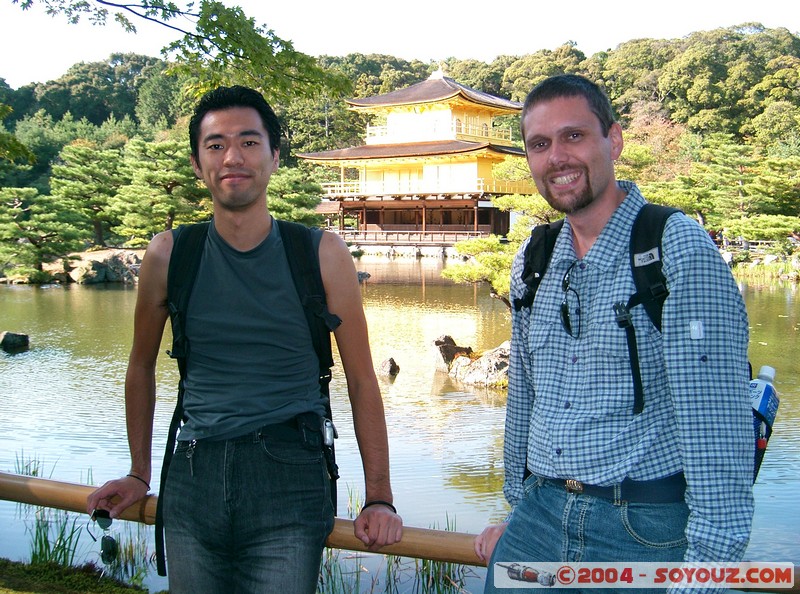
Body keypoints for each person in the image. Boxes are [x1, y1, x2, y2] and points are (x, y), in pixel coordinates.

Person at [87, 85, 402, 593]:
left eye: (250, 142)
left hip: (291, 473)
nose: (232, 156)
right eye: (215, 145)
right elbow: (139, 366)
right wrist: (139, 473)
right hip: (192, 472)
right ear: (197, 163)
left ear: (275, 157)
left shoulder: (320, 254)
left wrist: (379, 496)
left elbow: (363, 379)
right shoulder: (170, 255)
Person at [474, 75, 754, 591]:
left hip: (642, 526)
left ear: (615, 140)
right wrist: (517, 505)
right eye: (539, 144)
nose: (556, 157)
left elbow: (717, 420)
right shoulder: (535, 258)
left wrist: (707, 568)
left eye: (574, 136)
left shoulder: (674, 248)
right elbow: (526, 396)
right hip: (537, 521)